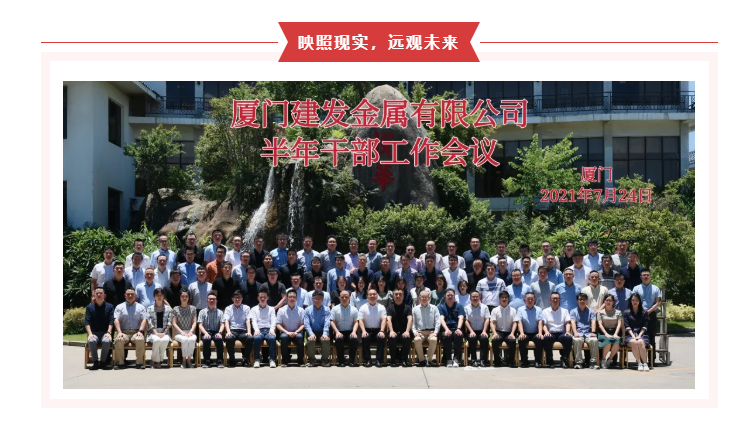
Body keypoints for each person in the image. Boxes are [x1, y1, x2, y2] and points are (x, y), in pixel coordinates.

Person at [632, 268, 661, 366]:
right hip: (639, 314)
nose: (646, 276)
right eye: (644, 275)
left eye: (647, 275)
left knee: (651, 337)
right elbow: (633, 301)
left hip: (651, 314)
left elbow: (657, 303)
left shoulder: (656, 288)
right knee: (639, 336)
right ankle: (640, 360)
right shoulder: (636, 288)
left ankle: (652, 360)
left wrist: (648, 312)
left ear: (650, 276)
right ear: (641, 277)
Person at [113, 288, 147, 370]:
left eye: (132, 294)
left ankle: (139, 363)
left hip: (136, 332)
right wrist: (119, 332)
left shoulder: (141, 307)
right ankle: (120, 363)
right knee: (119, 339)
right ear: (125, 295)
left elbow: (144, 320)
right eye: (128, 294)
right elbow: (116, 320)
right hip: (123, 332)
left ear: (135, 296)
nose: (130, 296)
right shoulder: (119, 307)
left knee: (140, 339)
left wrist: (140, 331)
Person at [85, 287, 114, 370]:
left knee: (107, 341)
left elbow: (111, 321)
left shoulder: (110, 306)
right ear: (94, 295)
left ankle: (103, 362)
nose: (98, 294)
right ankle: (95, 362)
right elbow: (87, 322)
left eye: (100, 293)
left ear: (104, 295)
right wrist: (90, 334)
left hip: (105, 332)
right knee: (91, 341)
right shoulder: (89, 307)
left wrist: (109, 332)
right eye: (97, 293)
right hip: (94, 333)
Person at [541, 292, 572, 368]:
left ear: (559, 300)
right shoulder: (545, 311)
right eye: (553, 298)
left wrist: (567, 332)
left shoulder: (564, 311)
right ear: (550, 300)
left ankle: (564, 359)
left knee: (568, 338)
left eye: (557, 299)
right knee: (546, 338)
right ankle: (550, 359)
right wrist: (546, 332)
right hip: (551, 333)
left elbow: (568, 322)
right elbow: (543, 324)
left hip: (561, 333)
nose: (555, 300)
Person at [330, 290, 360, 367]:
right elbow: (332, 322)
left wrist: (354, 332)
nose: (344, 298)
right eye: (342, 297)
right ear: (339, 298)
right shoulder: (334, 309)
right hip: (339, 331)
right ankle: (341, 361)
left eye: (346, 297)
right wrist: (337, 332)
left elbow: (356, 322)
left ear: (349, 298)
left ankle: (351, 361)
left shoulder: (354, 309)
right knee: (339, 339)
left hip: (350, 331)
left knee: (353, 339)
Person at [276, 288, 305, 367]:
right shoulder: (281, 310)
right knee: (283, 337)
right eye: (290, 297)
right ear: (287, 298)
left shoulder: (301, 310)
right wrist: (287, 332)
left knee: (300, 337)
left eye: (294, 297)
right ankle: (285, 361)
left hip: (297, 332)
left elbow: (303, 324)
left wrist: (296, 332)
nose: (292, 298)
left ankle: (300, 360)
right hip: (285, 332)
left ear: (296, 298)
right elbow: (278, 324)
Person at [358, 288, 388, 367]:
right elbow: (360, 320)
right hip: (366, 330)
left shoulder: (381, 307)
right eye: (370, 294)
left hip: (378, 330)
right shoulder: (362, 307)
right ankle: (367, 359)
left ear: (377, 296)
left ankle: (379, 359)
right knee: (365, 337)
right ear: (367, 296)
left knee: (381, 337)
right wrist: (363, 331)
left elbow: (384, 320)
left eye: (374, 294)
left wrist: (382, 331)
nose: (372, 296)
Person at [514, 292, 544, 368]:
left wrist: (540, 333)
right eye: (528, 299)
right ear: (525, 300)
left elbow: (540, 322)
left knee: (539, 339)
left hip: (535, 332)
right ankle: (524, 361)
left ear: (534, 300)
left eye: (531, 299)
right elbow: (519, 322)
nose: (530, 301)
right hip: (525, 332)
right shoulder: (520, 309)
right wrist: (521, 333)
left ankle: (538, 361)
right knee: (521, 339)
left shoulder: (539, 309)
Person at [223, 290, 252, 367]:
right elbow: (226, 321)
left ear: (242, 299)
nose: (237, 299)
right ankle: (232, 359)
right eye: (235, 298)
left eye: (239, 297)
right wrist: (228, 331)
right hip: (232, 330)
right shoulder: (228, 308)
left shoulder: (246, 308)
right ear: (232, 299)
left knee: (250, 338)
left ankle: (246, 359)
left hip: (243, 331)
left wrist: (249, 331)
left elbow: (248, 320)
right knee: (229, 338)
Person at [412, 288, 441, 367]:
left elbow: (438, 321)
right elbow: (413, 323)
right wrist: (415, 332)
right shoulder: (415, 309)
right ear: (419, 298)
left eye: (426, 297)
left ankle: (429, 360)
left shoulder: (434, 308)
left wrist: (435, 332)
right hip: (420, 332)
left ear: (429, 298)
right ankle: (422, 360)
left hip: (431, 332)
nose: (424, 299)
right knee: (416, 340)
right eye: (422, 297)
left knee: (434, 340)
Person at [570, 293, 599, 369]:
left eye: (584, 299)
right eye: (580, 299)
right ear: (577, 301)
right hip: (578, 332)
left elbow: (593, 322)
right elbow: (573, 322)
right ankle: (578, 363)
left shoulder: (591, 311)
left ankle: (593, 363)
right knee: (577, 340)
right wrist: (575, 332)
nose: (582, 301)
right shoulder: (573, 311)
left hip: (588, 332)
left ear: (586, 301)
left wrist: (593, 332)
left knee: (594, 340)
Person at [250, 290, 277, 368]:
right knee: (257, 338)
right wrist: (256, 330)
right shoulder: (254, 309)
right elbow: (254, 321)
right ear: (258, 298)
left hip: (269, 330)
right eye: (261, 297)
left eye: (264, 297)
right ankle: (257, 360)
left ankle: (272, 360)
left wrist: (272, 330)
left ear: (267, 298)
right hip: (259, 330)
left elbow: (273, 320)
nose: (262, 299)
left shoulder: (271, 309)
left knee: (272, 338)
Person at [438, 288, 465, 367]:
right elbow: (441, 319)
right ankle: (448, 359)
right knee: (447, 336)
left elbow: (461, 318)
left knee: (458, 335)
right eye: (448, 295)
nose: (450, 296)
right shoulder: (441, 307)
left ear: (454, 296)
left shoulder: (459, 306)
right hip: (445, 329)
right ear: (445, 296)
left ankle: (456, 359)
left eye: (452, 295)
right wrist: (446, 329)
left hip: (456, 328)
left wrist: (458, 329)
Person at [624, 292, 651, 371]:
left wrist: (639, 336)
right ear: (630, 301)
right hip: (629, 335)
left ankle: (645, 363)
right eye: (633, 300)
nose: (635, 302)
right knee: (634, 342)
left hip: (642, 334)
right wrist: (633, 336)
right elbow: (627, 326)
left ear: (639, 301)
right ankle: (639, 363)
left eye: (636, 300)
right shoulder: (626, 313)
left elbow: (645, 326)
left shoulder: (644, 312)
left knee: (640, 342)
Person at [490, 291, 517, 368]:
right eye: (502, 297)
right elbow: (492, 322)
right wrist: (494, 333)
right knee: (495, 340)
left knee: (512, 341)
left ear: (508, 299)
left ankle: (511, 361)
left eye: (506, 297)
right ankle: (497, 360)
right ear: (499, 299)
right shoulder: (495, 310)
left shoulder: (513, 310)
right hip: (499, 332)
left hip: (509, 332)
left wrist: (512, 333)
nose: (504, 299)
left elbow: (515, 323)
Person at [304, 290, 331, 367]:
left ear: (322, 300)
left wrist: (325, 334)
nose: (317, 301)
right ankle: (312, 360)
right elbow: (307, 324)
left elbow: (327, 323)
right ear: (312, 299)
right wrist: (311, 334)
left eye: (319, 299)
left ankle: (325, 360)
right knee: (311, 340)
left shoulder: (327, 310)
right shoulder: (307, 310)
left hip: (322, 331)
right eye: (315, 298)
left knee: (325, 340)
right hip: (312, 331)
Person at [386, 288, 413, 367]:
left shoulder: (408, 308)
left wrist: (407, 331)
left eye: (400, 294)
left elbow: (410, 319)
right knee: (392, 338)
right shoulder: (389, 308)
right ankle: (393, 360)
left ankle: (405, 360)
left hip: (404, 331)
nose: (398, 296)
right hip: (394, 331)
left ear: (403, 296)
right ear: (393, 296)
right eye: (396, 294)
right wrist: (391, 331)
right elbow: (388, 319)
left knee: (407, 337)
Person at [172, 288, 198, 368]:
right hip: (179, 332)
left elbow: (194, 322)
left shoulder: (193, 308)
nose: (184, 298)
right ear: (180, 297)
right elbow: (174, 323)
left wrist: (191, 331)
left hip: (190, 331)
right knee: (185, 339)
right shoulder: (175, 309)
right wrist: (181, 332)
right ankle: (183, 360)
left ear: (188, 297)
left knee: (192, 339)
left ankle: (189, 360)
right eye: (182, 296)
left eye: (186, 296)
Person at [198, 292, 225, 368]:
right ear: (207, 300)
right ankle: (207, 360)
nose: (212, 301)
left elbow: (222, 324)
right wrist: (205, 333)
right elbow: (200, 325)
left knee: (219, 339)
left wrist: (220, 332)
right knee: (206, 339)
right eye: (210, 299)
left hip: (216, 332)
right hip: (206, 331)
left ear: (216, 301)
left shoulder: (220, 312)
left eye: (213, 299)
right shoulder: (202, 312)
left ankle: (219, 360)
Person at [146, 288, 171, 368]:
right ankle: (157, 360)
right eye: (157, 295)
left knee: (165, 340)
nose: (159, 297)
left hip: (165, 332)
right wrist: (156, 333)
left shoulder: (168, 309)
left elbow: (169, 322)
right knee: (157, 340)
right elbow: (149, 322)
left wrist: (164, 332)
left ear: (163, 296)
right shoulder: (149, 309)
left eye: (161, 295)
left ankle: (156, 360)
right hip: (153, 332)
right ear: (154, 296)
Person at [464, 291, 490, 367]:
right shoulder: (466, 308)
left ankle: (483, 360)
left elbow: (487, 319)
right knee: (472, 338)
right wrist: (471, 331)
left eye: (477, 297)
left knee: (484, 339)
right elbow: (466, 321)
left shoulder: (485, 307)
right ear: (470, 298)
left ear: (479, 298)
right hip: (471, 330)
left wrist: (484, 331)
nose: (475, 298)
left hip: (482, 330)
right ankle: (473, 360)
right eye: (473, 297)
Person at [597, 293, 623, 369]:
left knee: (617, 340)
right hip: (603, 332)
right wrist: (606, 333)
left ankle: (610, 359)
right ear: (604, 301)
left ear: (613, 302)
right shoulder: (600, 312)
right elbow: (600, 325)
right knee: (608, 340)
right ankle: (603, 359)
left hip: (614, 332)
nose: (608, 302)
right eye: (607, 300)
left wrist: (615, 334)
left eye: (610, 300)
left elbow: (619, 325)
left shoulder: (618, 312)